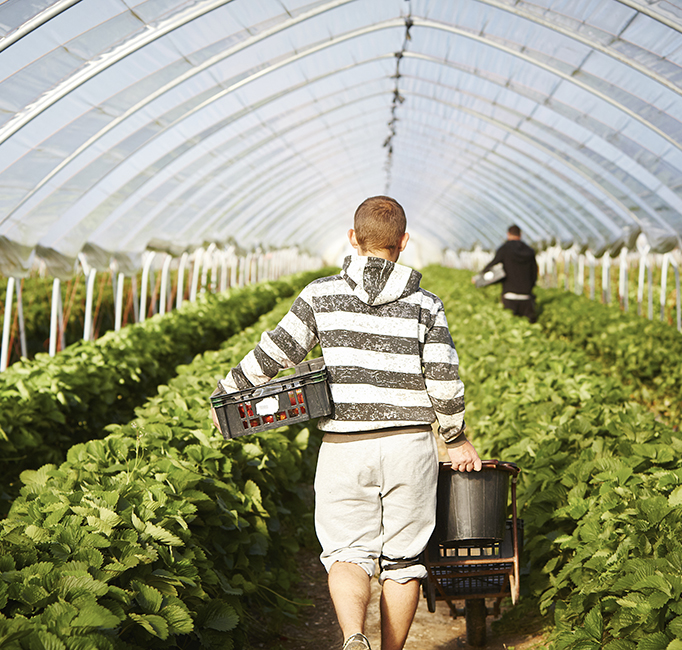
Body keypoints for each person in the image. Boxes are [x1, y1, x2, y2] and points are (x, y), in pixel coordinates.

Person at [211, 196, 482, 650]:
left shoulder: (321, 294)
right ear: (403, 242)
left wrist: (228, 396)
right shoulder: (426, 304)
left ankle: (354, 637)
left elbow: (274, 353)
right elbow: (443, 376)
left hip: (344, 447)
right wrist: (455, 439)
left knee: (346, 553)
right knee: (403, 560)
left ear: (353, 239)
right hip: (409, 446)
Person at [479, 224, 538, 323]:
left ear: (508, 234)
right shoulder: (529, 251)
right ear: (520, 235)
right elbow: (534, 272)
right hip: (526, 297)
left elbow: (493, 264)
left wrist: (479, 277)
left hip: (509, 296)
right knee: (528, 327)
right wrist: (530, 288)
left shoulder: (504, 249)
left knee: (510, 326)